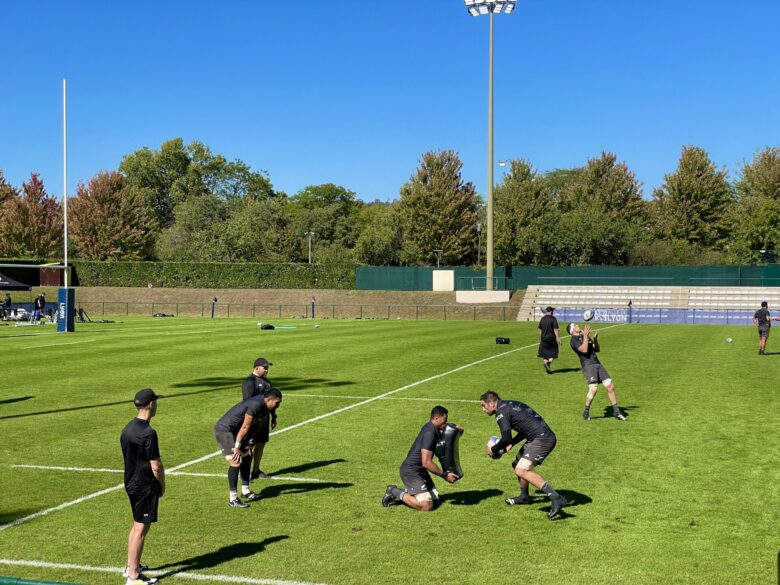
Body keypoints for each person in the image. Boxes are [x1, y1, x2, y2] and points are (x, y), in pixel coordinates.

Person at [120, 389, 165, 585]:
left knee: (136, 524)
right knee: (141, 528)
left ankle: (131, 566)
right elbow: (156, 464)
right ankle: (134, 576)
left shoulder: (128, 428)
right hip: (145, 485)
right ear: (151, 405)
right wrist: (161, 485)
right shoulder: (148, 433)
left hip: (131, 482)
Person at [381, 405, 459, 511]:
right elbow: (426, 462)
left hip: (420, 470)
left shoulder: (433, 428)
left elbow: (446, 442)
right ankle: (393, 491)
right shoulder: (430, 433)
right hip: (411, 471)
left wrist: (457, 430)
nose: (446, 422)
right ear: (436, 419)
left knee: (435, 499)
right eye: (444, 420)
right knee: (426, 506)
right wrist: (444, 475)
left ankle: (410, 491)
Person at [214, 388, 283, 508]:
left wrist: (249, 443)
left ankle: (245, 491)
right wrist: (237, 447)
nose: (278, 405)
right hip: (225, 431)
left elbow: (256, 427)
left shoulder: (265, 408)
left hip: (236, 432)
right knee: (235, 461)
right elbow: (245, 426)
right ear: (268, 399)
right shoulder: (255, 405)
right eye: (277, 402)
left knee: (247, 457)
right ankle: (233, 499)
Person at [567, 323, 626, 421]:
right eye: (576, 325)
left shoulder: (584, 336)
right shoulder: (573, 340)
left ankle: (616, 411)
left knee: (610, 386)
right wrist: (585, 336)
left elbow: (597, 349)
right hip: (588, 366)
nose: (578, 326)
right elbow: (584, 350)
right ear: (572, 330)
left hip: (597, 363)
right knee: (593, 389)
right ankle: (586, 411)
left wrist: (594, 339)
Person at [241, 357, 276, 479]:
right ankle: (245, 472)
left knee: (261, 444)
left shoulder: (267, 382)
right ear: (256, 368)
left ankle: (256, 470)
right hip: (254, 420)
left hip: (264, 419)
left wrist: (273, 416)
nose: (267, 370)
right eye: (265, 368)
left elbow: (271, 402)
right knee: (249, 446)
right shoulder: (249, 382)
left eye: (267, 368)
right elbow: (247, 402)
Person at [537, 306, 562, 374]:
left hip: (543, 339)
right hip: (551, 339)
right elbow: (555, 329)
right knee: (554, 354)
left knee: (545, 355)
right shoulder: (553, 319)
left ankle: (546, 370)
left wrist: (541, 338)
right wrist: (558, 338)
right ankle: (548, 363)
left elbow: (540, 329)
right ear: (551, 311)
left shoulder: (542, 319)